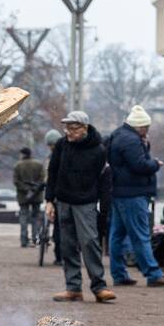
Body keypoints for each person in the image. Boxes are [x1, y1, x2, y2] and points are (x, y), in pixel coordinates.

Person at [45, 111, 116, 303]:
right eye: (66, 128)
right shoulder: (61, 145)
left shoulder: (99, 149)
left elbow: (104, 180)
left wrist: (104, 207)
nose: (68, 132)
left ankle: (99, 286)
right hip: (63, 201)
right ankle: (73, 288)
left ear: (84, 128)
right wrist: (49, 200)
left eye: (73, 128)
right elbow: (52, 172)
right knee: (66, 245)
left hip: (86, 202)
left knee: (89, 243)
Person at [108, 105, 164, 288]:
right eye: (146, 127)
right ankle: (153, 273)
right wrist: (155, 164)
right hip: (133, 194)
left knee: (117, 235)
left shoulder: (119, 135)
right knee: (140, 235)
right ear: (140, 126)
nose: (147, 131)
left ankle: (119, 274)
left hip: (119, 192)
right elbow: (139, 165)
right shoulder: (131, 140)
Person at [13, 146, 45, 248]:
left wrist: (26, 189)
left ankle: (24, 240)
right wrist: (34, 189)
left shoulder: (18, 166)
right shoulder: (39, 165)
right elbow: (42, 179)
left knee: (23, 217)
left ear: (23, 154)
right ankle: (35, 239)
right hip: (37, 195)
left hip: (23, 196)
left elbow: (16, 181)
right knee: (36, 217)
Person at [45, 129, 64, 264]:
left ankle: (60, 255)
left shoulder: (52, 158)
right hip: (59, 197)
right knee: (60, 228)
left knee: (59, 228)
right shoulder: (65, 153)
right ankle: (60, 255)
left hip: (59, 196)